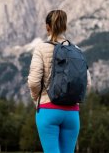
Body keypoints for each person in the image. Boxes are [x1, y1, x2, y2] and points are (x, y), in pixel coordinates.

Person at [28, 9, 91, 153]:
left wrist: (36, 100)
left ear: (47, 27)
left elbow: (33, 82)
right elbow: (87, 83)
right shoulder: (76, 49)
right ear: (65, 26)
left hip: (48, 110)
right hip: (72, 113)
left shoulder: (41, 48)